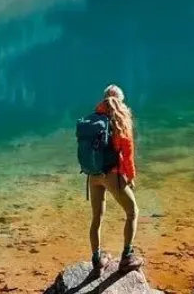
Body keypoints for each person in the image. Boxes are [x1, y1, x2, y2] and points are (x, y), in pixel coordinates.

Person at [88, 84, 142, 272]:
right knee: (133, 212)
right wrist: (131, 176)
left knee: (96, 217)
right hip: (112, 174)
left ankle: (97, 261)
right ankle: (127, 257)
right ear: (120, 100)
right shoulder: (120, 119)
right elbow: (127, 153)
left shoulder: (94, 118)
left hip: (93, 174)